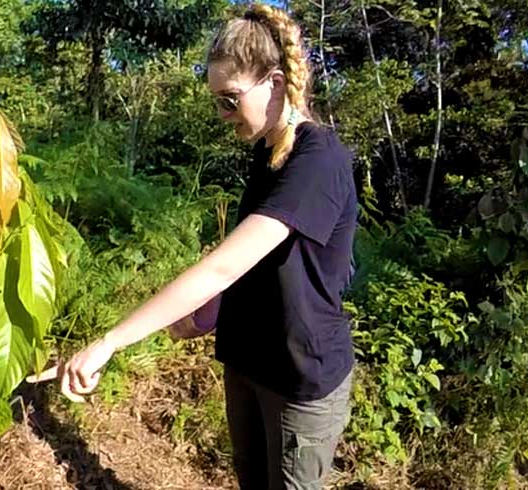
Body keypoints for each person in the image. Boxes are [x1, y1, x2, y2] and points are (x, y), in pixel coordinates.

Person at [27, 4, 358, 489]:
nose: (223, 115)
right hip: (248, 363)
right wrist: (206, 315)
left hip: (299, 377)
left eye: (230, 99)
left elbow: (222, 267)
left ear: (276, 82)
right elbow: (256, 262)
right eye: (217, 102)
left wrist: (109, 344)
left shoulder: (318, 160)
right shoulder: (267, 152)